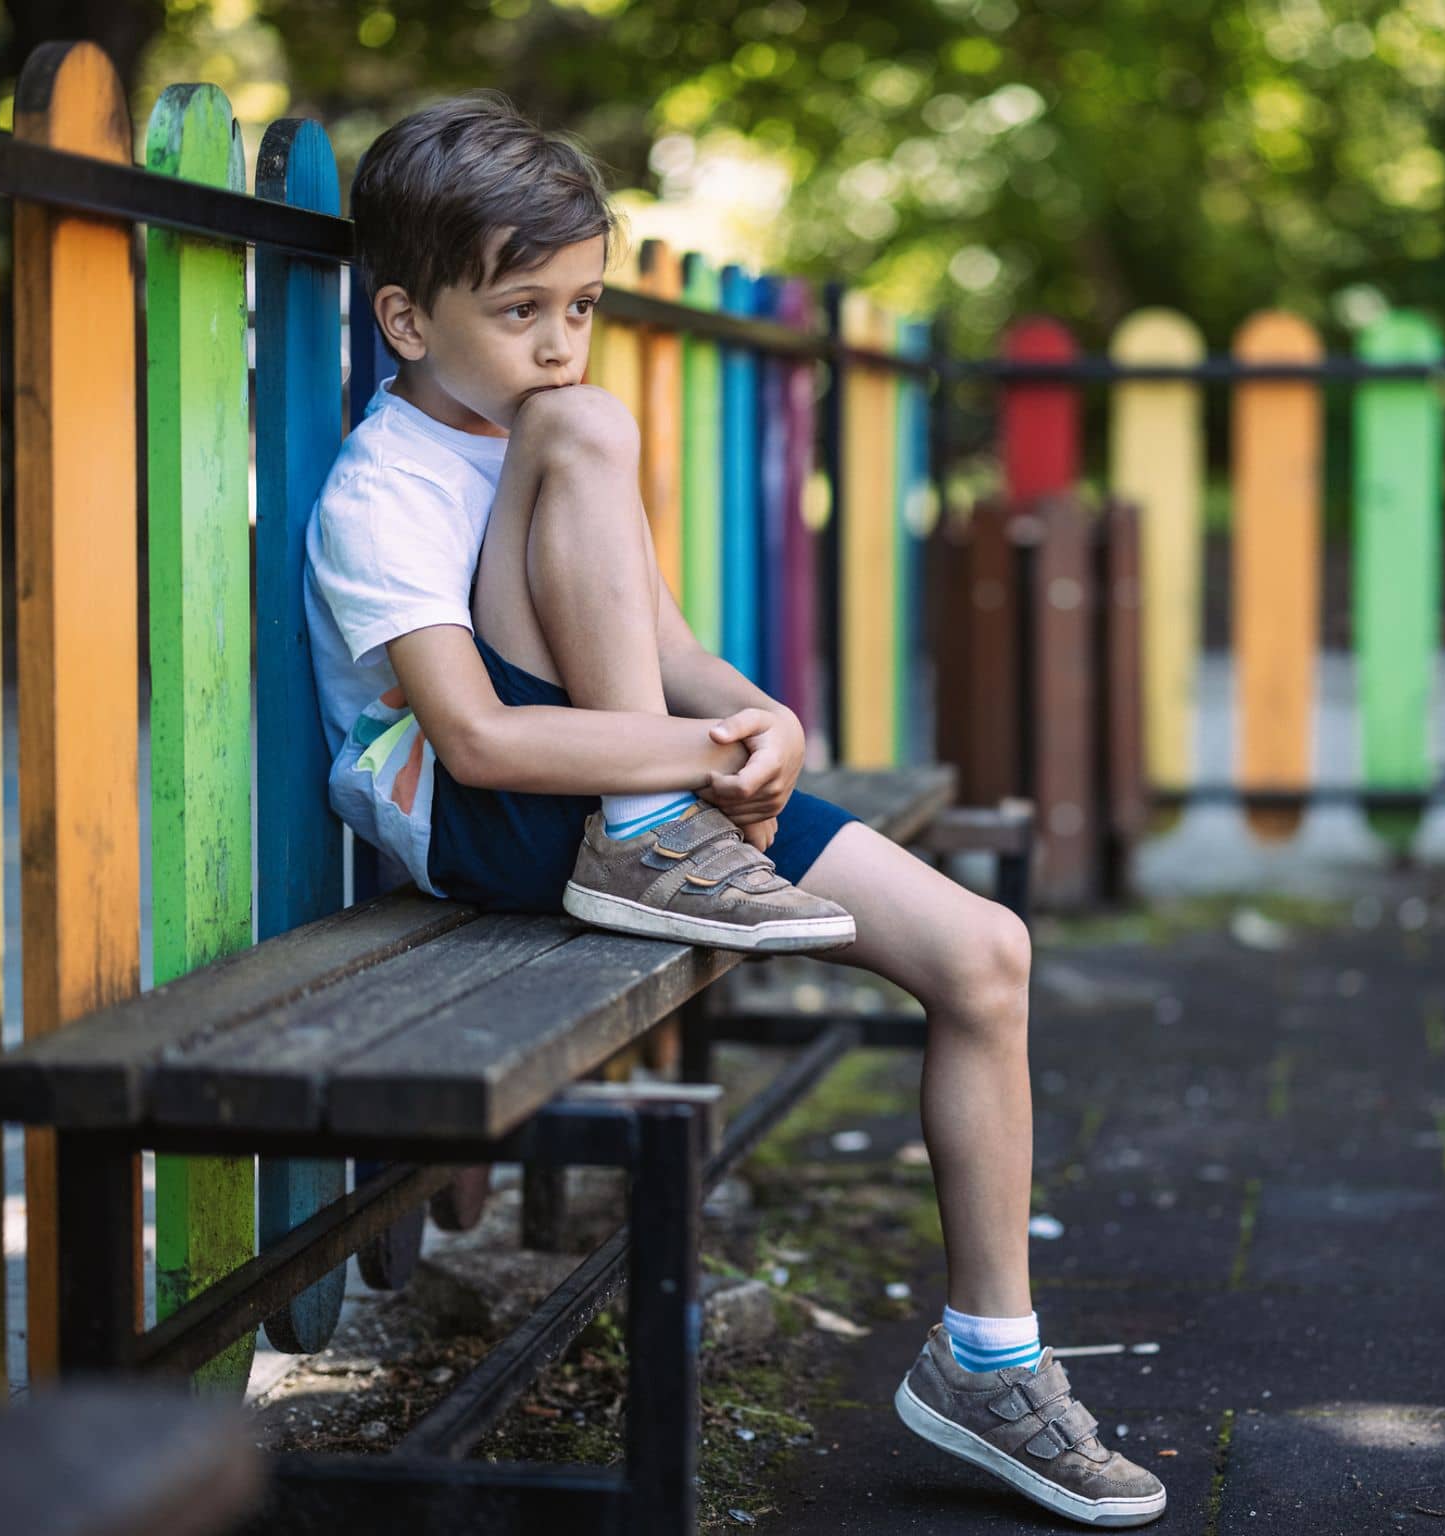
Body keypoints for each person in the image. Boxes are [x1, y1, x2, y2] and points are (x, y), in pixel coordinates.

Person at [302, 91, 1166, 1527]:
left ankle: (987, 1366)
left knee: (987, 952)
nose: (562, 346)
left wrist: (754, 715)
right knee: (585, 437)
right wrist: (680, 765)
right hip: (505, 822)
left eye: (581, 306)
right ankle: (650, 840)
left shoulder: (545, 434)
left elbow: (663, 642)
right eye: (522, 311)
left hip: (648, 805)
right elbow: (480, 736)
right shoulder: (384, 487)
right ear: (406, 321)